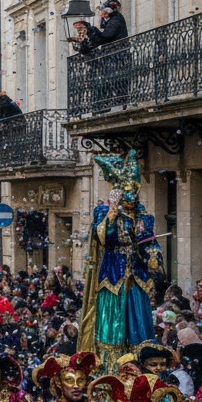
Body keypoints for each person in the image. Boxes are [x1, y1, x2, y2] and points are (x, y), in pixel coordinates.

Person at [77, 152, 166, 361]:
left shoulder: (143, 215)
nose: (132, 199)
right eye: (127, 194)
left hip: (136, 274)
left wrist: (153, 255)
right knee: (113, 320)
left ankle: (140, 360)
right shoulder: (104, 211)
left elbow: (149, 242)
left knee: (138, 320)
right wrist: (112, 212)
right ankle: (112, 363)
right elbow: (102, 238)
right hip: (113, 272)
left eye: (134, 193)